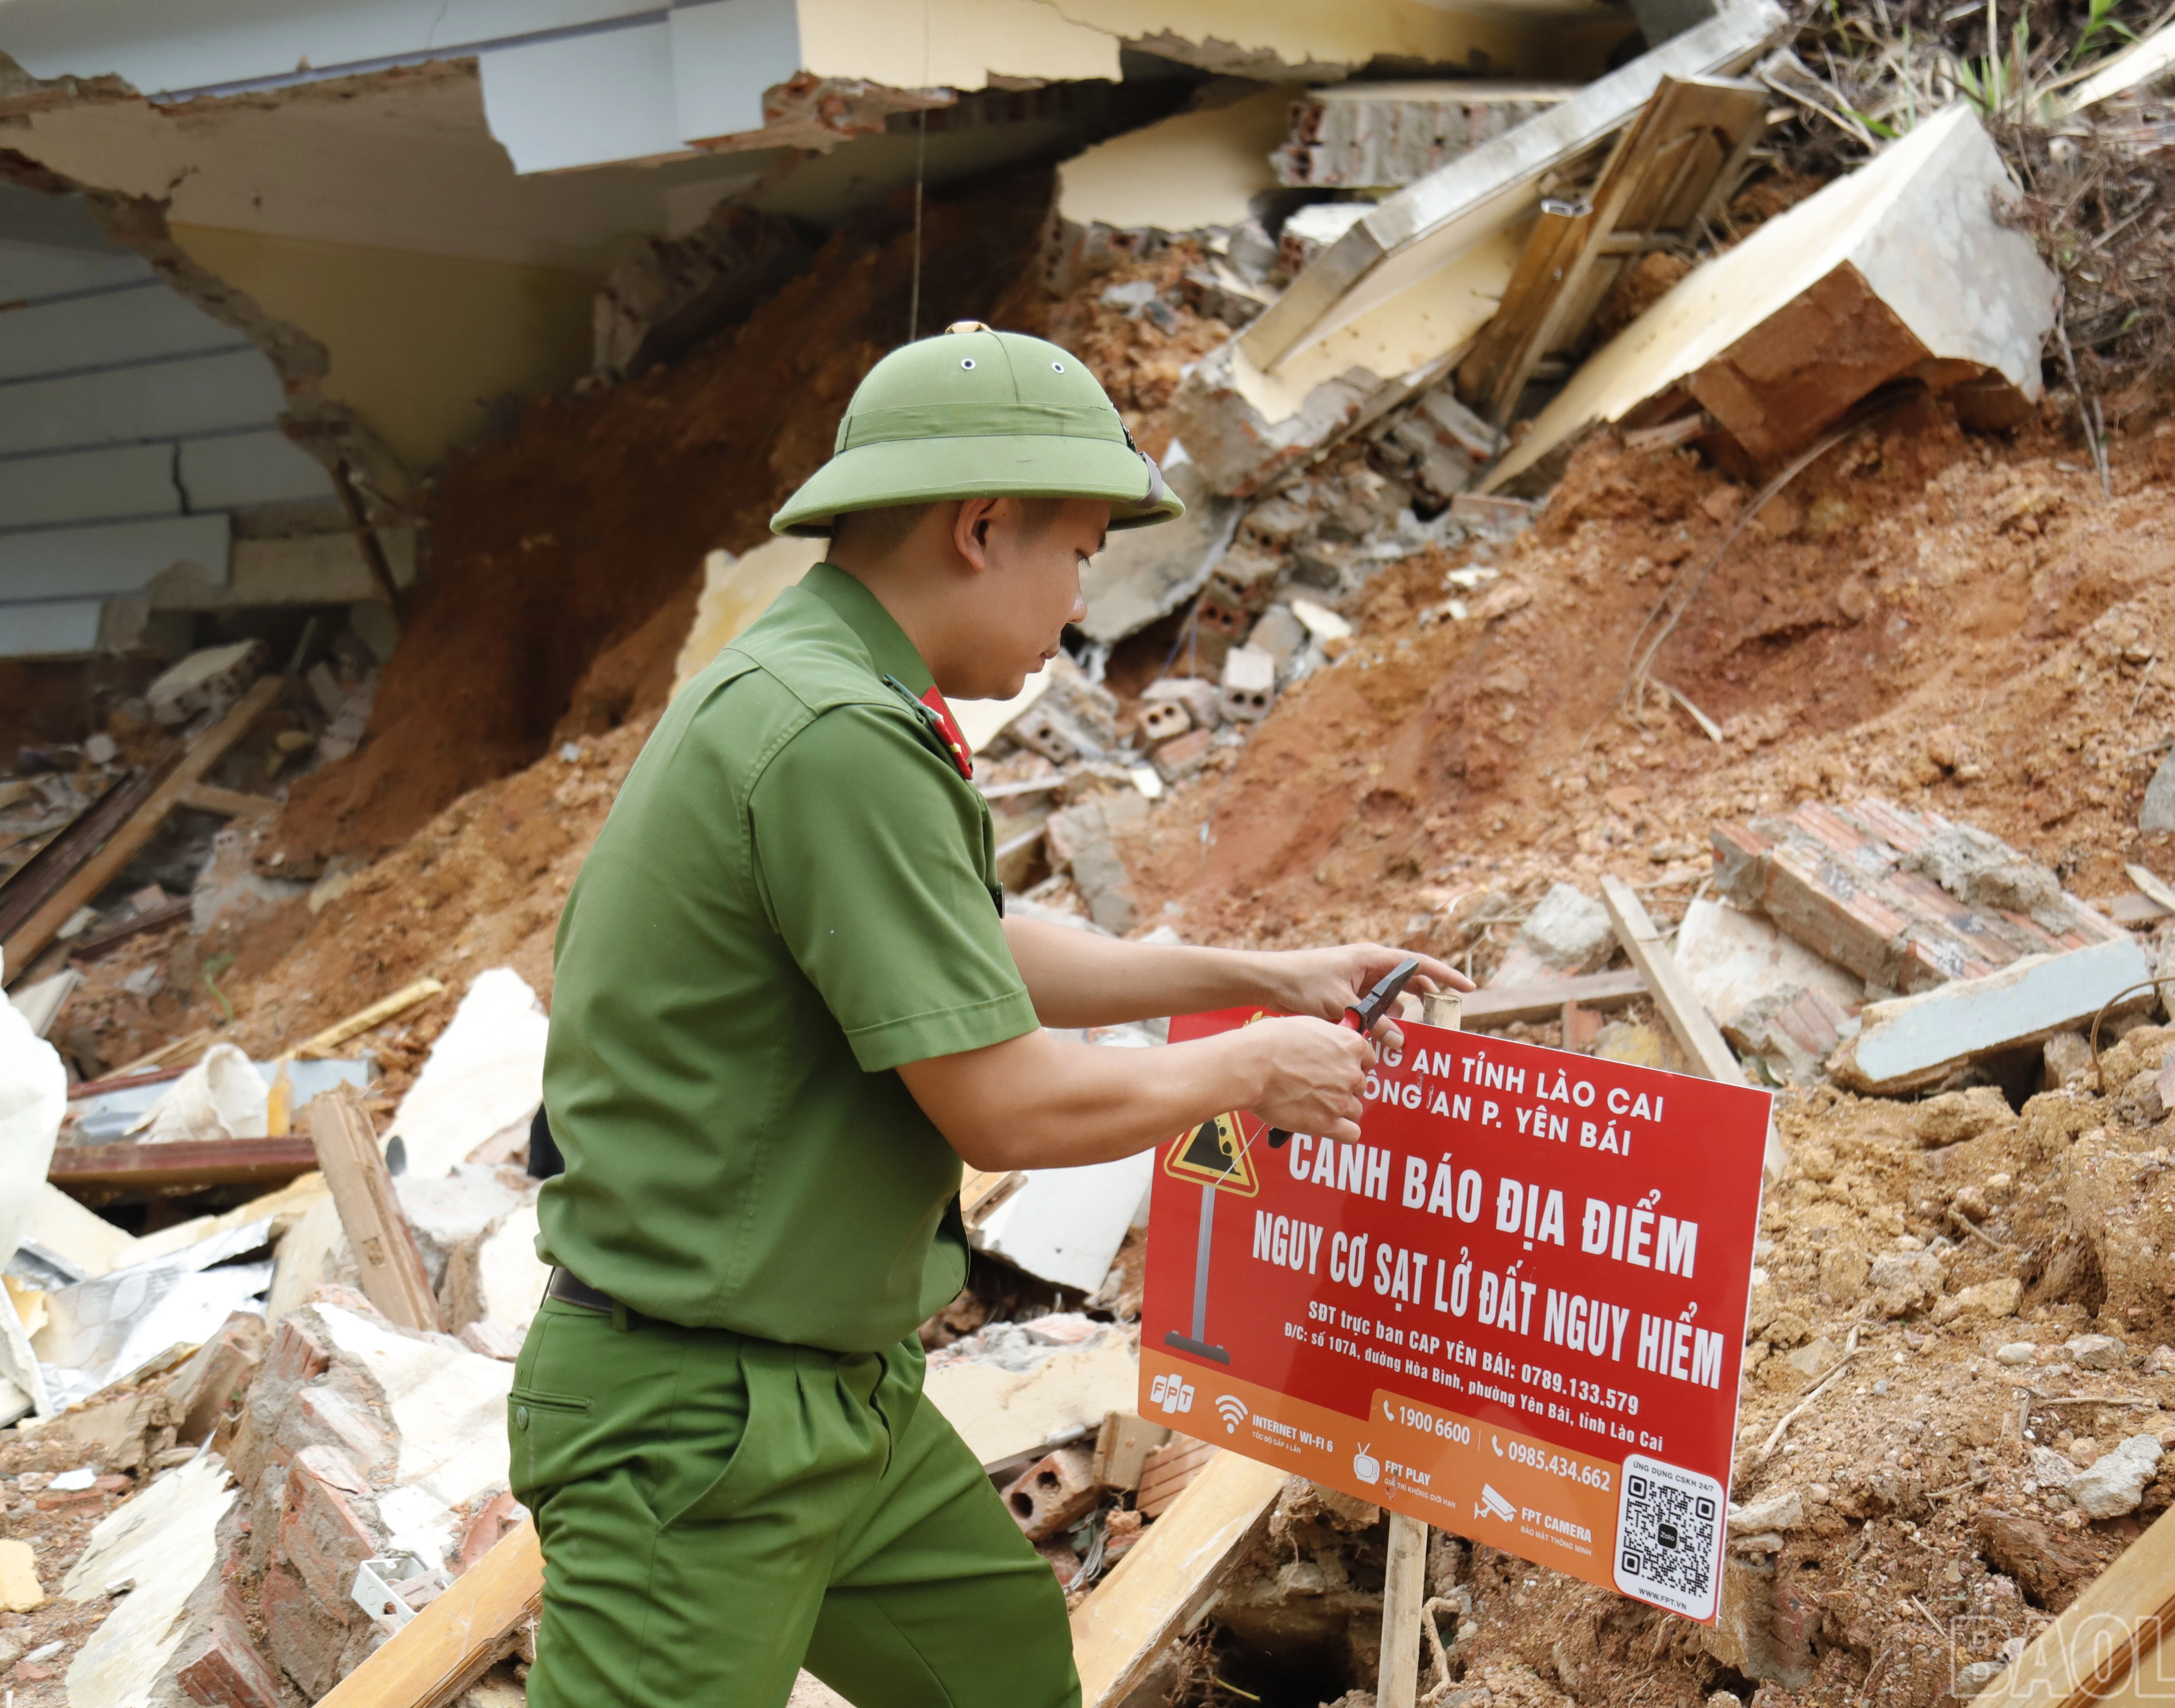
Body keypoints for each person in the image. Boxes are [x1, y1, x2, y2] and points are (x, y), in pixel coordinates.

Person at [511, 322, 1467, 1708]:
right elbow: (1005, 1101)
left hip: (832, 1393)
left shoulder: (815, 685)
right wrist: (1252, 1070)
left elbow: (958, 949)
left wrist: (1254, 977)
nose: (1082, 600)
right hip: (699, 1421)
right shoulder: (835, 734)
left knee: (1003, 1680)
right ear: (981, 528)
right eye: (1079, 551)